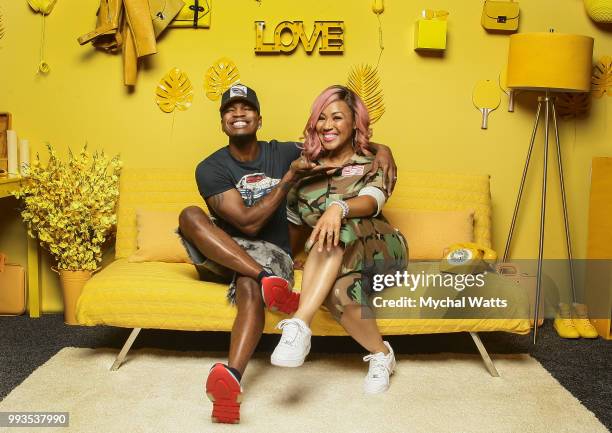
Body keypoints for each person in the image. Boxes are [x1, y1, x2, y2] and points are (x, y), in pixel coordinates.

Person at [177, 83, 397, 423]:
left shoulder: (284, 152)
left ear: (260, 119)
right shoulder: (210, 167)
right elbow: (248, 225)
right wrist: (290, 178)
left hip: (273, 252)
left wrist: (383, 149)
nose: (238, 114)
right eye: (229, 110)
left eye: (246, 108)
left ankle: (233, 375)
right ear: (221, 121)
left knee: (250, 286)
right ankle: (266, 280)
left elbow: (342, 141)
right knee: (189, 215)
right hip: (227, 249)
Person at [270, 85, 408, 395]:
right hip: (340, 257)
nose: (327, 125)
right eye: (321, 117)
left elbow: (374, 201)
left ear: (354, 123)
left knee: (338, 226)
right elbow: (294, 228)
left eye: (337, 117)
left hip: (382, 247)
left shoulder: (374, 159)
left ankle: (300, 323)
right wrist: (292, 261)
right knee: (335, 291)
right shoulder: (305, 172)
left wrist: (339, 207)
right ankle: (382, 356)